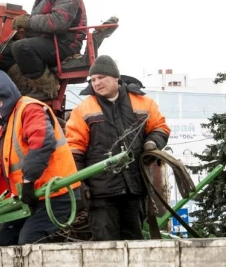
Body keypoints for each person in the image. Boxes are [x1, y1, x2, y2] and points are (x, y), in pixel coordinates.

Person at [0, 70, 81, 246]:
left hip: (56, 192)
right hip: (32, 195)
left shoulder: (29, 109)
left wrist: (28, 181)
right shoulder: (11, 120)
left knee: (29, 240)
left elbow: (42, 143)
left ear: (7, 94)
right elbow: (3, 150)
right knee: (5, 242)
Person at [64, 55, 171, 241]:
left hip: (134, 189)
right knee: (105, 246)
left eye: (101, 77)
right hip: (101, 193)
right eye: (93, 80)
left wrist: (152, 143)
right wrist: (80, 184)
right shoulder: (83, 109)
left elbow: (160, 127)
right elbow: (74, 149)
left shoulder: (143, 103)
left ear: (116, 78)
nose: (96, 83)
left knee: (135, 243)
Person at [0, 0, 87, 100]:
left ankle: (46, 88)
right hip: (50, 41)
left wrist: (27, 21)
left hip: (65, 45)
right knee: (4, 52)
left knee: (21, 47)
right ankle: (25, 86)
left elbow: (58, 22)